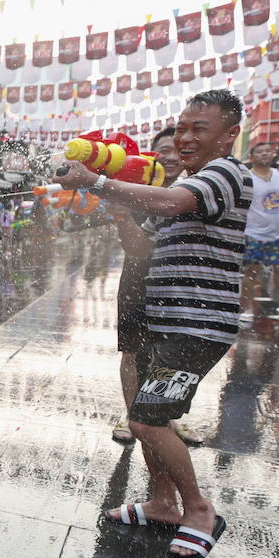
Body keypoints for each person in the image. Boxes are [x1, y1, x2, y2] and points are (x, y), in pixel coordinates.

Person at [60, 90, 251, 558]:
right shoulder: (191, 181)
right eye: (182, 127)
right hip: (163, 323)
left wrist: (102, 183)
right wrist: (119, 208)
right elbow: (143, 253)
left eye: (199, 129)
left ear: (230, 135)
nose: (185, 138)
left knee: (147, 419)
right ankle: (162, 503)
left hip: (196, 328)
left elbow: (171, 204)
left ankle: (200, 510)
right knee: (148, 417)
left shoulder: (225, 174)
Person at [108, 127, 200, 446]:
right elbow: (134, 243)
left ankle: (164, 419)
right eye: (163, 149)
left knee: (171, 354)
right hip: (137, 280)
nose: (170, 156)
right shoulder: (135, 186)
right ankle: (133, 414)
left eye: (177, 149)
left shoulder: (198, 188)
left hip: (179, 287)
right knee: (132, 351)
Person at [239, 143, 279, 324]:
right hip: (252, 233)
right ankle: (248, 309)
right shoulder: (247, 178)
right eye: (260, 151)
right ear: (252, 157)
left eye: (268, 150)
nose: (265, 154)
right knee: (252, 271)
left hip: (275, 234)